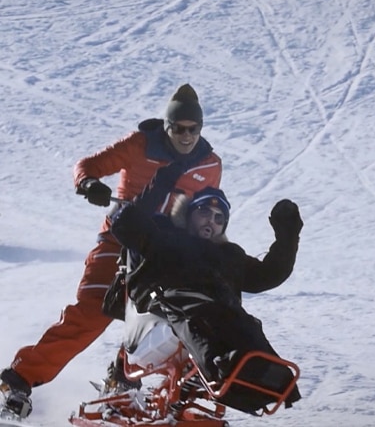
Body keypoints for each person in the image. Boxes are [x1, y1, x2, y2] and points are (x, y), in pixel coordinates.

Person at [0, 84, 222, 419]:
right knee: (94, 309)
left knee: (175, 314)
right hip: (119, 241)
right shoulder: (140, 145)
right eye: (179, 128)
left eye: (194, 129)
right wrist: (89, 184)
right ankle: (18, 379)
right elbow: (87, 165)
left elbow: (204, 208)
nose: (187, 136)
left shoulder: (209, 163)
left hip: (165, 251)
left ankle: (125, 377)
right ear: (168, 126)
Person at [109, 164, 303, 413]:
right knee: (201, 313)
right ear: (188, 214)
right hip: (169, 304)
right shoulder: (164, 236)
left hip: (219, 310)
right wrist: (160, 185)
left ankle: (270, 378)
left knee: (246, 324)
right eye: (204, 212)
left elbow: (268, 275)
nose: (211, 220)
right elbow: (125, 223)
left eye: (218, 218)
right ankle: (219, 368)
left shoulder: (230, 255)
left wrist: (288, 234)